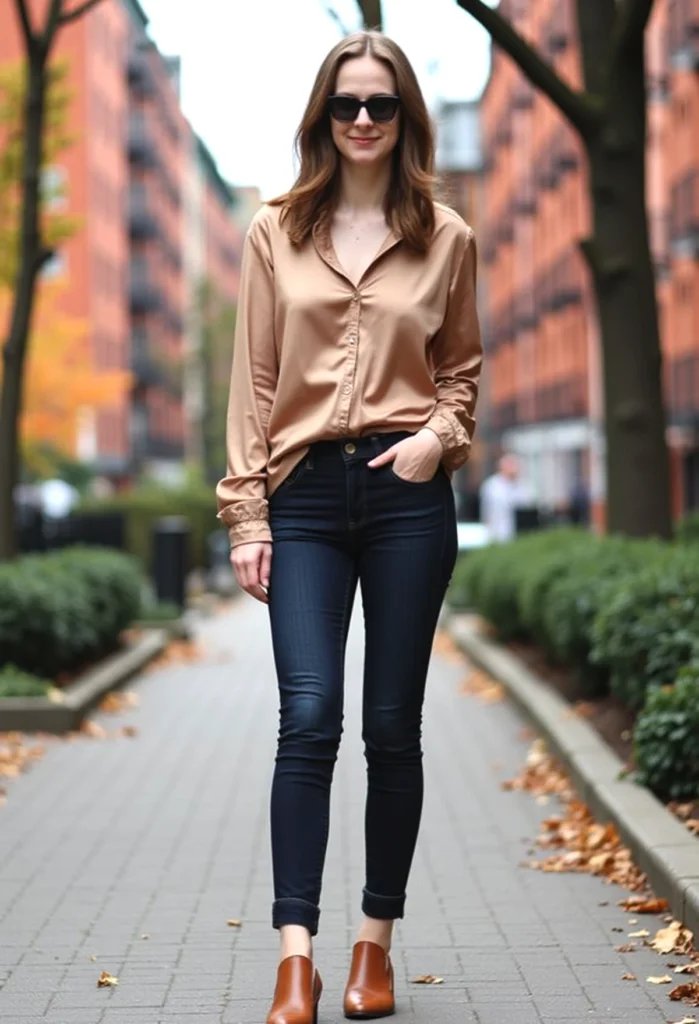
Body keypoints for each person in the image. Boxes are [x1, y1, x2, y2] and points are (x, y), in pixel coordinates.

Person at [216, 30, 482, 1024]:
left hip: (410, 496)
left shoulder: (445, 235)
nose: (363, 121)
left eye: (380, 104)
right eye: (346, 105)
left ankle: (373, 945)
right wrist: (247, 512)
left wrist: (437, 439)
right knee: (310, 713)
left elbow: (462, 371)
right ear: (322, 118)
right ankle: (297, 959)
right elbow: (251, 382)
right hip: (306, 495)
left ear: (405, 116)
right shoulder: (272, 232)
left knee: (390, 726)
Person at [479, 453, 532, 543]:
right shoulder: (492, 486)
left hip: (520, 534)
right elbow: (486, 511)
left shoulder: (524, 486)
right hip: (498, 533)